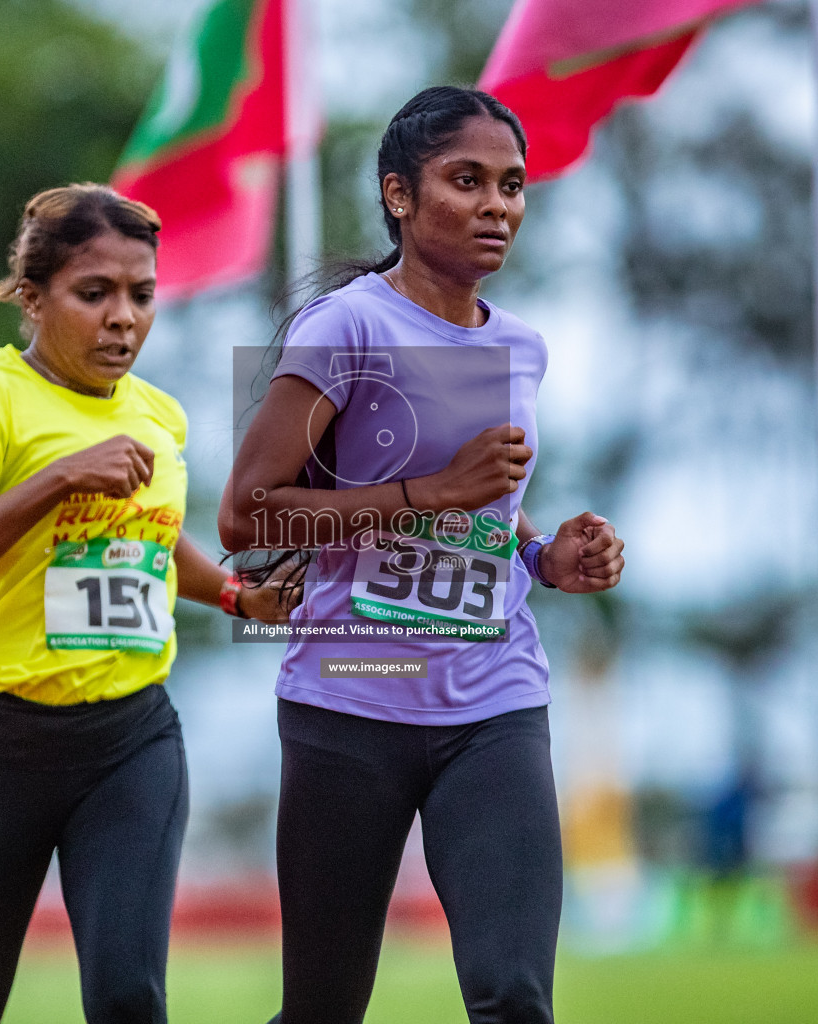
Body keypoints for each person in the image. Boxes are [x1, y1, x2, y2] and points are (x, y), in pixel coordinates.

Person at [220, 87, 626, 1024]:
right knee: (322, 1009)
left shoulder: (523, 347)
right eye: (467, 181)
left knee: (516, 995)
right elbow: (247, 518)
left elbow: (492, 519)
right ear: (400, 196)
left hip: (496, 704)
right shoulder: (347, 328)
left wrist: (546, 558)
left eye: (513, 186)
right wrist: (431, 494)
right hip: (351, 696)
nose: (498, 206)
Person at [0, 183, 290, 1024]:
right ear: (33, 299)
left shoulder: (160, 417)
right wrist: (59, 477)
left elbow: (144, 541)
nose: (123, 318)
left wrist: (235, 594)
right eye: (94, 293)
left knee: (127, 998)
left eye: (141, 295)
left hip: (128, 743)